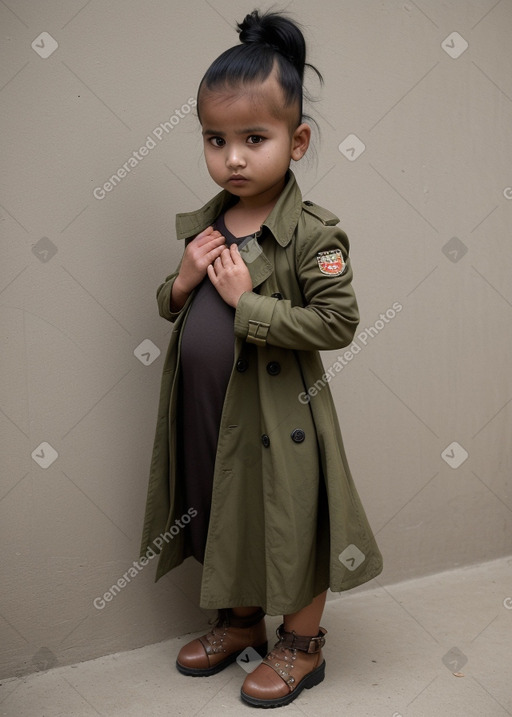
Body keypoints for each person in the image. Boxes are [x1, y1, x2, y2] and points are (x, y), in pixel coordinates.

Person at [140, 8, 383, 709]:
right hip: (210, 412)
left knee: (293, 518)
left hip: (284, 418)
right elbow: (171, 300)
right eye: (216, 140)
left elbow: (338, 321)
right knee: (221, 510)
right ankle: (240, 620)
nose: (233, 157)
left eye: (255, 138)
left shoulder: (313, 233)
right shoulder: (209, 224)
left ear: (297, 139)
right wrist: (182, 281)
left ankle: (301, 645)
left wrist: (251, 305)